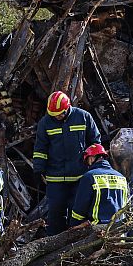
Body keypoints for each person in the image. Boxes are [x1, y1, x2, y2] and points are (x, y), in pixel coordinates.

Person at [32, 91, 101, 235]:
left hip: (80, 178)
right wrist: (38, 169)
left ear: (67, 108)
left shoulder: (83, 117)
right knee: (56, 214)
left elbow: (95, 142)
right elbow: (40, 149)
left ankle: (77, 243)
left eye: (60, 114)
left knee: (79, 213)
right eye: (54, 115)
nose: (57, 117)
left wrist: (91, 160)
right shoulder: (45, 123)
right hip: (55, 179)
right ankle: (54, 245)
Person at [70, 144, 128, 227]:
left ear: (92, 158)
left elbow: (80, 209)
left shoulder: (89, 177)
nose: (88, 164)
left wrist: (73, 226)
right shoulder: (121, 178)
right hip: (118, 229)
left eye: (88, 160)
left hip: (97, 230)